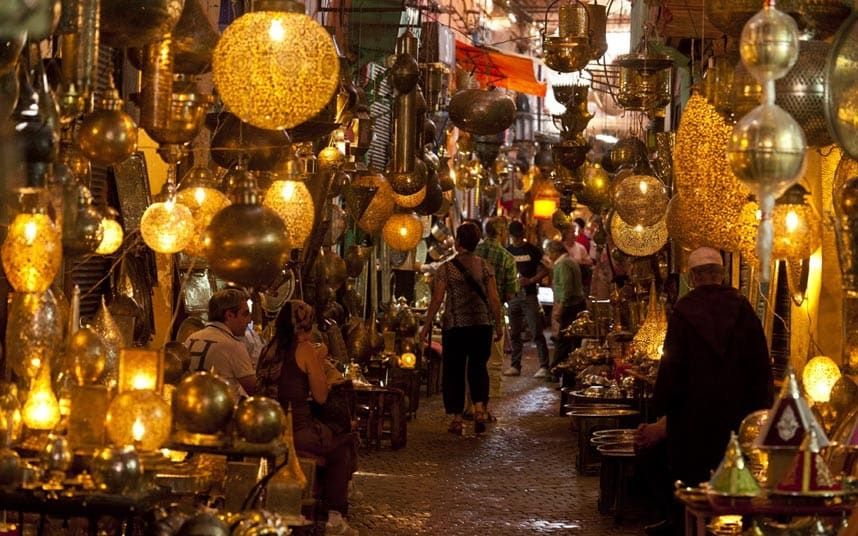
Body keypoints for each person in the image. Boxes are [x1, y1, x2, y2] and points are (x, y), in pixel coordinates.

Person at [635, 247, 773, 535]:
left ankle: (684, 525)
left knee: (692, 479)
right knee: (732, 477)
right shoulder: (743, 308)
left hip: (693, 417)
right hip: (737, 415)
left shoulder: (684, 311)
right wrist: (762, 411)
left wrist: (662, 407)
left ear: (694, 276)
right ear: (721, 274)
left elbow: (672, 365)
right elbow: (760, 363)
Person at [256, 300, 358, 529]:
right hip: (296, 432)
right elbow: (321, 396)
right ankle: (335, 514)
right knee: (342, 445)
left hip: (267, 429)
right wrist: (318, 359)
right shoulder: (305, 349)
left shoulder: (267, 349)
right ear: (307, 325)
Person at [420, 222, 503, 436]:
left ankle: (457, 419)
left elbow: (437, 300)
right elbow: (494, 299)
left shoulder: (446, 269)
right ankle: (479, 409)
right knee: (479, 367)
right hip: (482, 325)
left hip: (455, 327)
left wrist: (426, 327)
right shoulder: (485, 267)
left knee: (454, 371)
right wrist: (499, 325)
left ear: (458, 242)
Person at [185, 289, 259, 398]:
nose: (248, 321)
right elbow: (256, 391)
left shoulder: (191, 338)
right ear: (229, 315)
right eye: (245, 314)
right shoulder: (233, 345)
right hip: (221, 407)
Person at [505, 220, 550, 377]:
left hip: (529, 295)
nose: (517, 240)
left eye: (519, 236)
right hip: (513, 296)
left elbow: (546, 269)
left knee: (536, 330)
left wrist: (531, 280)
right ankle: (515, 365)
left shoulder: (532, 250)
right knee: (515, 333)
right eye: (515, 237)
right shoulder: (508, 251)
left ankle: (544, 365)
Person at [545, 240, 586, 369]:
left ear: (555, 252)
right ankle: (568, 368)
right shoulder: (568, 261)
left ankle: (556, 369)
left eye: (549, 253)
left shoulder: (563, 264)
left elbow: (566, 288)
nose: (548, 256)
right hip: (575, 304)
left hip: (570, 306)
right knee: (571, 340)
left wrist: (559, 308)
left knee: (564, 339)